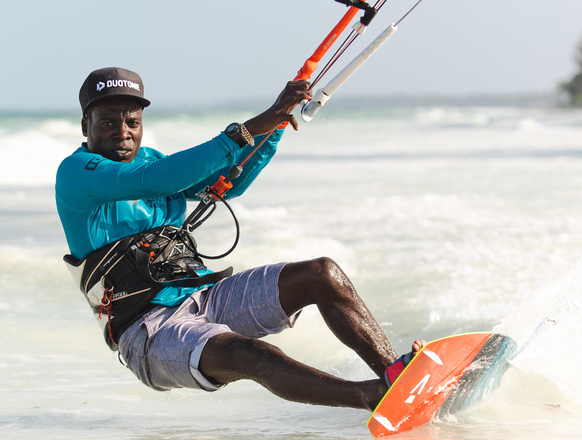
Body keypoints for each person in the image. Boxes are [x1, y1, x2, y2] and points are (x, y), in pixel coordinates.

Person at [55, 66, 424, 410]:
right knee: (250, 355)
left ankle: (396, 376)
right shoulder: (77, 172)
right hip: (147, 329)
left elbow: (227, 184)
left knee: (321, 274)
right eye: (107, 123)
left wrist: (274, 126)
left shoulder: (150, 158)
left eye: (132, 122)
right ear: (86, 124)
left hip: (204, 297)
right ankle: (372, 397)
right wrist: (247, 128)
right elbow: (153, 180)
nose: (123, 132)